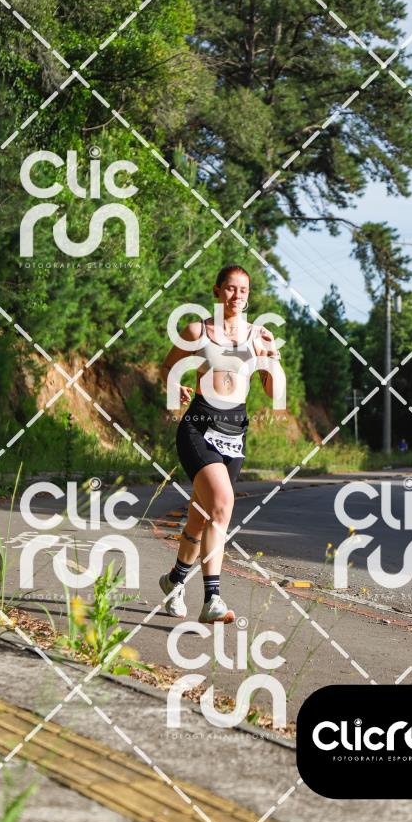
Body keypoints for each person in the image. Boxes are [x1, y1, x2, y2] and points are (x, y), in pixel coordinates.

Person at [159, 265, 284, 623]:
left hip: (234, 431)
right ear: (217, 291)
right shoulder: (197, 331)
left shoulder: (258, 337)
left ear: (249, 296)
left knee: (202, 517)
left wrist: (272, 356)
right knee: (223, 505)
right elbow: (167, 369)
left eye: (243, 290)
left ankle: (174, 580)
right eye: (230, 288)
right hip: (198, 425)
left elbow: (274, 392)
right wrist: (176, 388)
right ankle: (212, 598)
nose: (236, 296)